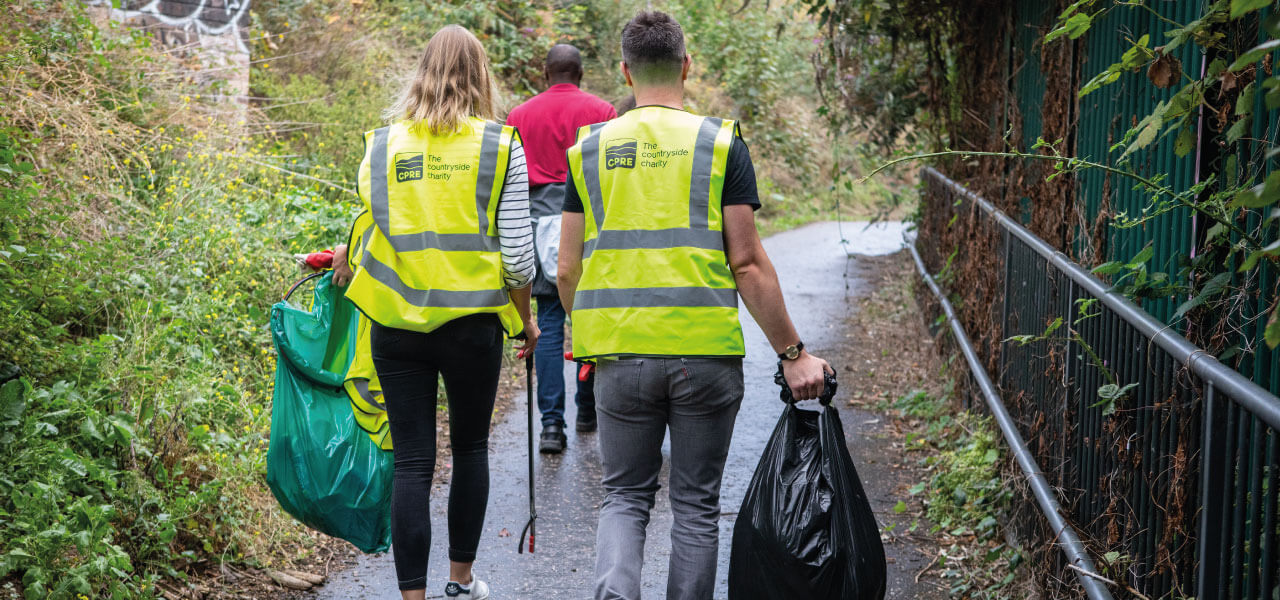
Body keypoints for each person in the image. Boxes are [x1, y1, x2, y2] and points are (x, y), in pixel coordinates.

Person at [557, 11, 833, 600]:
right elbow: (748, 262)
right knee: (696, 506)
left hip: (621, 353)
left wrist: (583, 332)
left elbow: (566, 267)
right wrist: (793, 353)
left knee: (625, 496)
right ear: (687, 66)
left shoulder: (590, 148)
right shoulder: (719, 142)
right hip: (704, 355)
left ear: (625, 72)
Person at [330, 25, 539, 600]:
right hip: (472, 327)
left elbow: (371, 231)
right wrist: (525, 320)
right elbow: (519, 259)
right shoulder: (500, 144)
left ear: (420, 70)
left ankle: (412, 597)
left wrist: (342, 260)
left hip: (396, 328)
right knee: (470, 448)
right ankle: (460, 583)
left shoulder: (382, 145)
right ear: (480, 75)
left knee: (414, 462)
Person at [505, 43, 617, 453]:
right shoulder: (604, 113)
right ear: (581, 73)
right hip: (584, 223)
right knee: (590, 317)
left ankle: (552, 426)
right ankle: (587, 409)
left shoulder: (519, 116)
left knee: (549, 326)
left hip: (535, 222)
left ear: (545, 72)